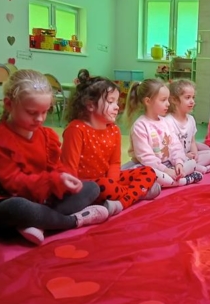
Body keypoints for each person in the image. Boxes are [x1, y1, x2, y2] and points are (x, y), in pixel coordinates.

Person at [0, 70, 108, 245]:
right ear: (9, 104)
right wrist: (53, 181)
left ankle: (39, 222)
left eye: (45, 112)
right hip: (8, 197)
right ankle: (73, 220)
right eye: (32, 112)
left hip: (43, 197)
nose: (40, 119)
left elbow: (55, 166)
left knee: (92, 188)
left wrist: (64, 177)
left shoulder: (46, 135)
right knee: (18, 208)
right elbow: (13, 183)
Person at [61, 70, 160, 217]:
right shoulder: (76, 129)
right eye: (110, 102)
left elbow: (115, 163)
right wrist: (109, 186)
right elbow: (69, 170)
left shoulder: (114, 130)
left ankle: (121, 201)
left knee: (148, 172)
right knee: (105, 186)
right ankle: (136, 193)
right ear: (90, 105)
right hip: (86, 185)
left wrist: (114, 183)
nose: (117, 107)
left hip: (109, 181)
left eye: (117, 102)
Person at [124, 78, 203, 187]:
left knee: (192, 163)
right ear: (148, 101)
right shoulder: (140, 126)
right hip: (149, 166)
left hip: (168, 164)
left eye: (168, 100)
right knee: (151, 174)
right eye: (163, 100)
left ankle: (173, 179)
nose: (168, 104)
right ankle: (183, 181)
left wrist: (178, 162)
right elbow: (146, 158)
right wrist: (165, 170)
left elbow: (175, 146)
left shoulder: (166, 122)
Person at [165, 79, 210, 174]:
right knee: (170, 163)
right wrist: (184, 157)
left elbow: (192, 142)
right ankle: (193, 168)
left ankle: (192, 167)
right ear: (174, 100)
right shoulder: (168, 121)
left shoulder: (191, 119)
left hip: (188, 157)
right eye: (187, 97)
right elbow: (168, 149)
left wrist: (195, 154)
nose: (192, 101)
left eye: (193, 97)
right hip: (174, 159)